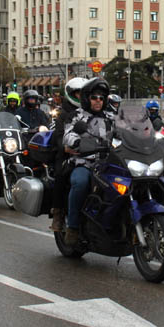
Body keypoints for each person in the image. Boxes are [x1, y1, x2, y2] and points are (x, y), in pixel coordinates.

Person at [62, 78, 114, 246]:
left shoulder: (111, 116)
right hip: (84, 161)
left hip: (108, 162)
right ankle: (73, 227)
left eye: (101, 97)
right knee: (80, 182)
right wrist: (76, 142)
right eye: (94, 97)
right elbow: (68, 135)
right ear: (87, 98)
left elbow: (127, 131)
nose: (98, 100)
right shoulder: (77, 116)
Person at [49, 77, 87, 232]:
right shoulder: (64, 113)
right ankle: (58, 212)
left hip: (92, 153)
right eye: (78, 94)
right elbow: (58, 135)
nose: (80, 97)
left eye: (83, 93)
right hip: (68, 154)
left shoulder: (91, 110)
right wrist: (65, 147)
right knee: (62, 174)